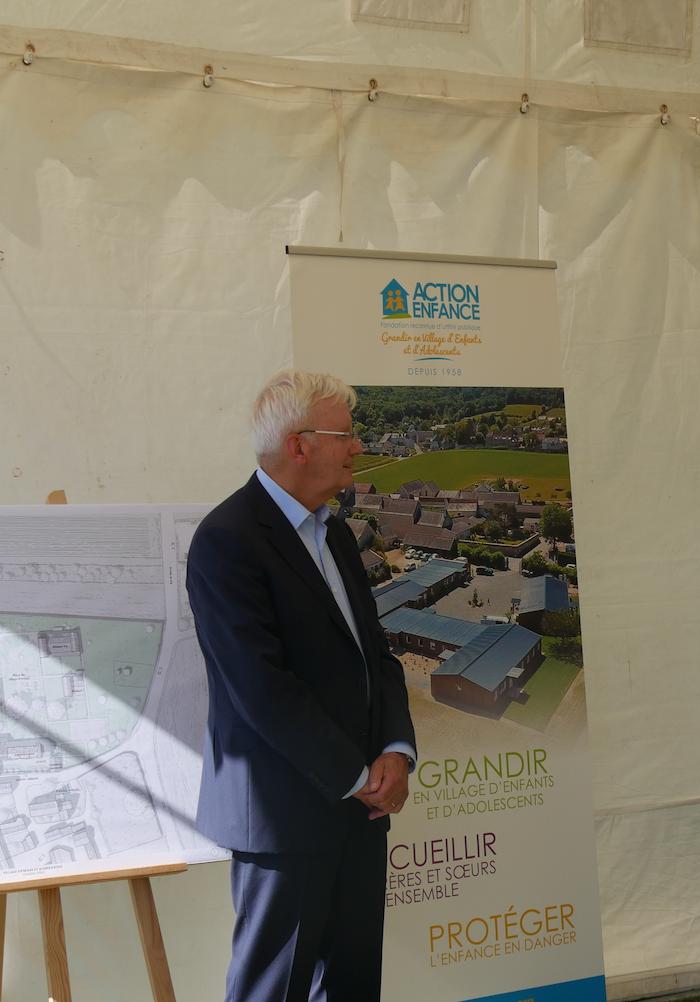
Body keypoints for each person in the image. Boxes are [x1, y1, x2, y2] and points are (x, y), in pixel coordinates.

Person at [188, 370, 417, 1001]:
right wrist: (358, 775)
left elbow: (376, 655)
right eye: (345, 435)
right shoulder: (227, 540)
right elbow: (260, 689)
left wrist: (396, 750)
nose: (358, 447)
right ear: (299, 445)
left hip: (361, 812)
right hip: (284, 819)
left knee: (352, 988)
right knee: (273, 990)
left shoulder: (334, 531)